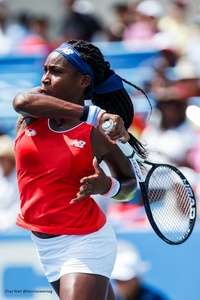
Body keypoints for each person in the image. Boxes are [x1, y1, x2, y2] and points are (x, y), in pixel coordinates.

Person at [13, 39, 149, 300]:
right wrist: (95, 114)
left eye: (56, 71)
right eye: (45, 70)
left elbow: (129, 187)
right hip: (43, 243)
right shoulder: (31, 111)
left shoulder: (95, 134)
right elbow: (21, 100)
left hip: (85, 240)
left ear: (84, 81)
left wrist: (107, 186)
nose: (45, 79)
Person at [0, 134, 20, 231]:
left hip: (15, 231)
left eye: (4, 159)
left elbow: (19, 208)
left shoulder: (20, 179)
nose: (2, 162)